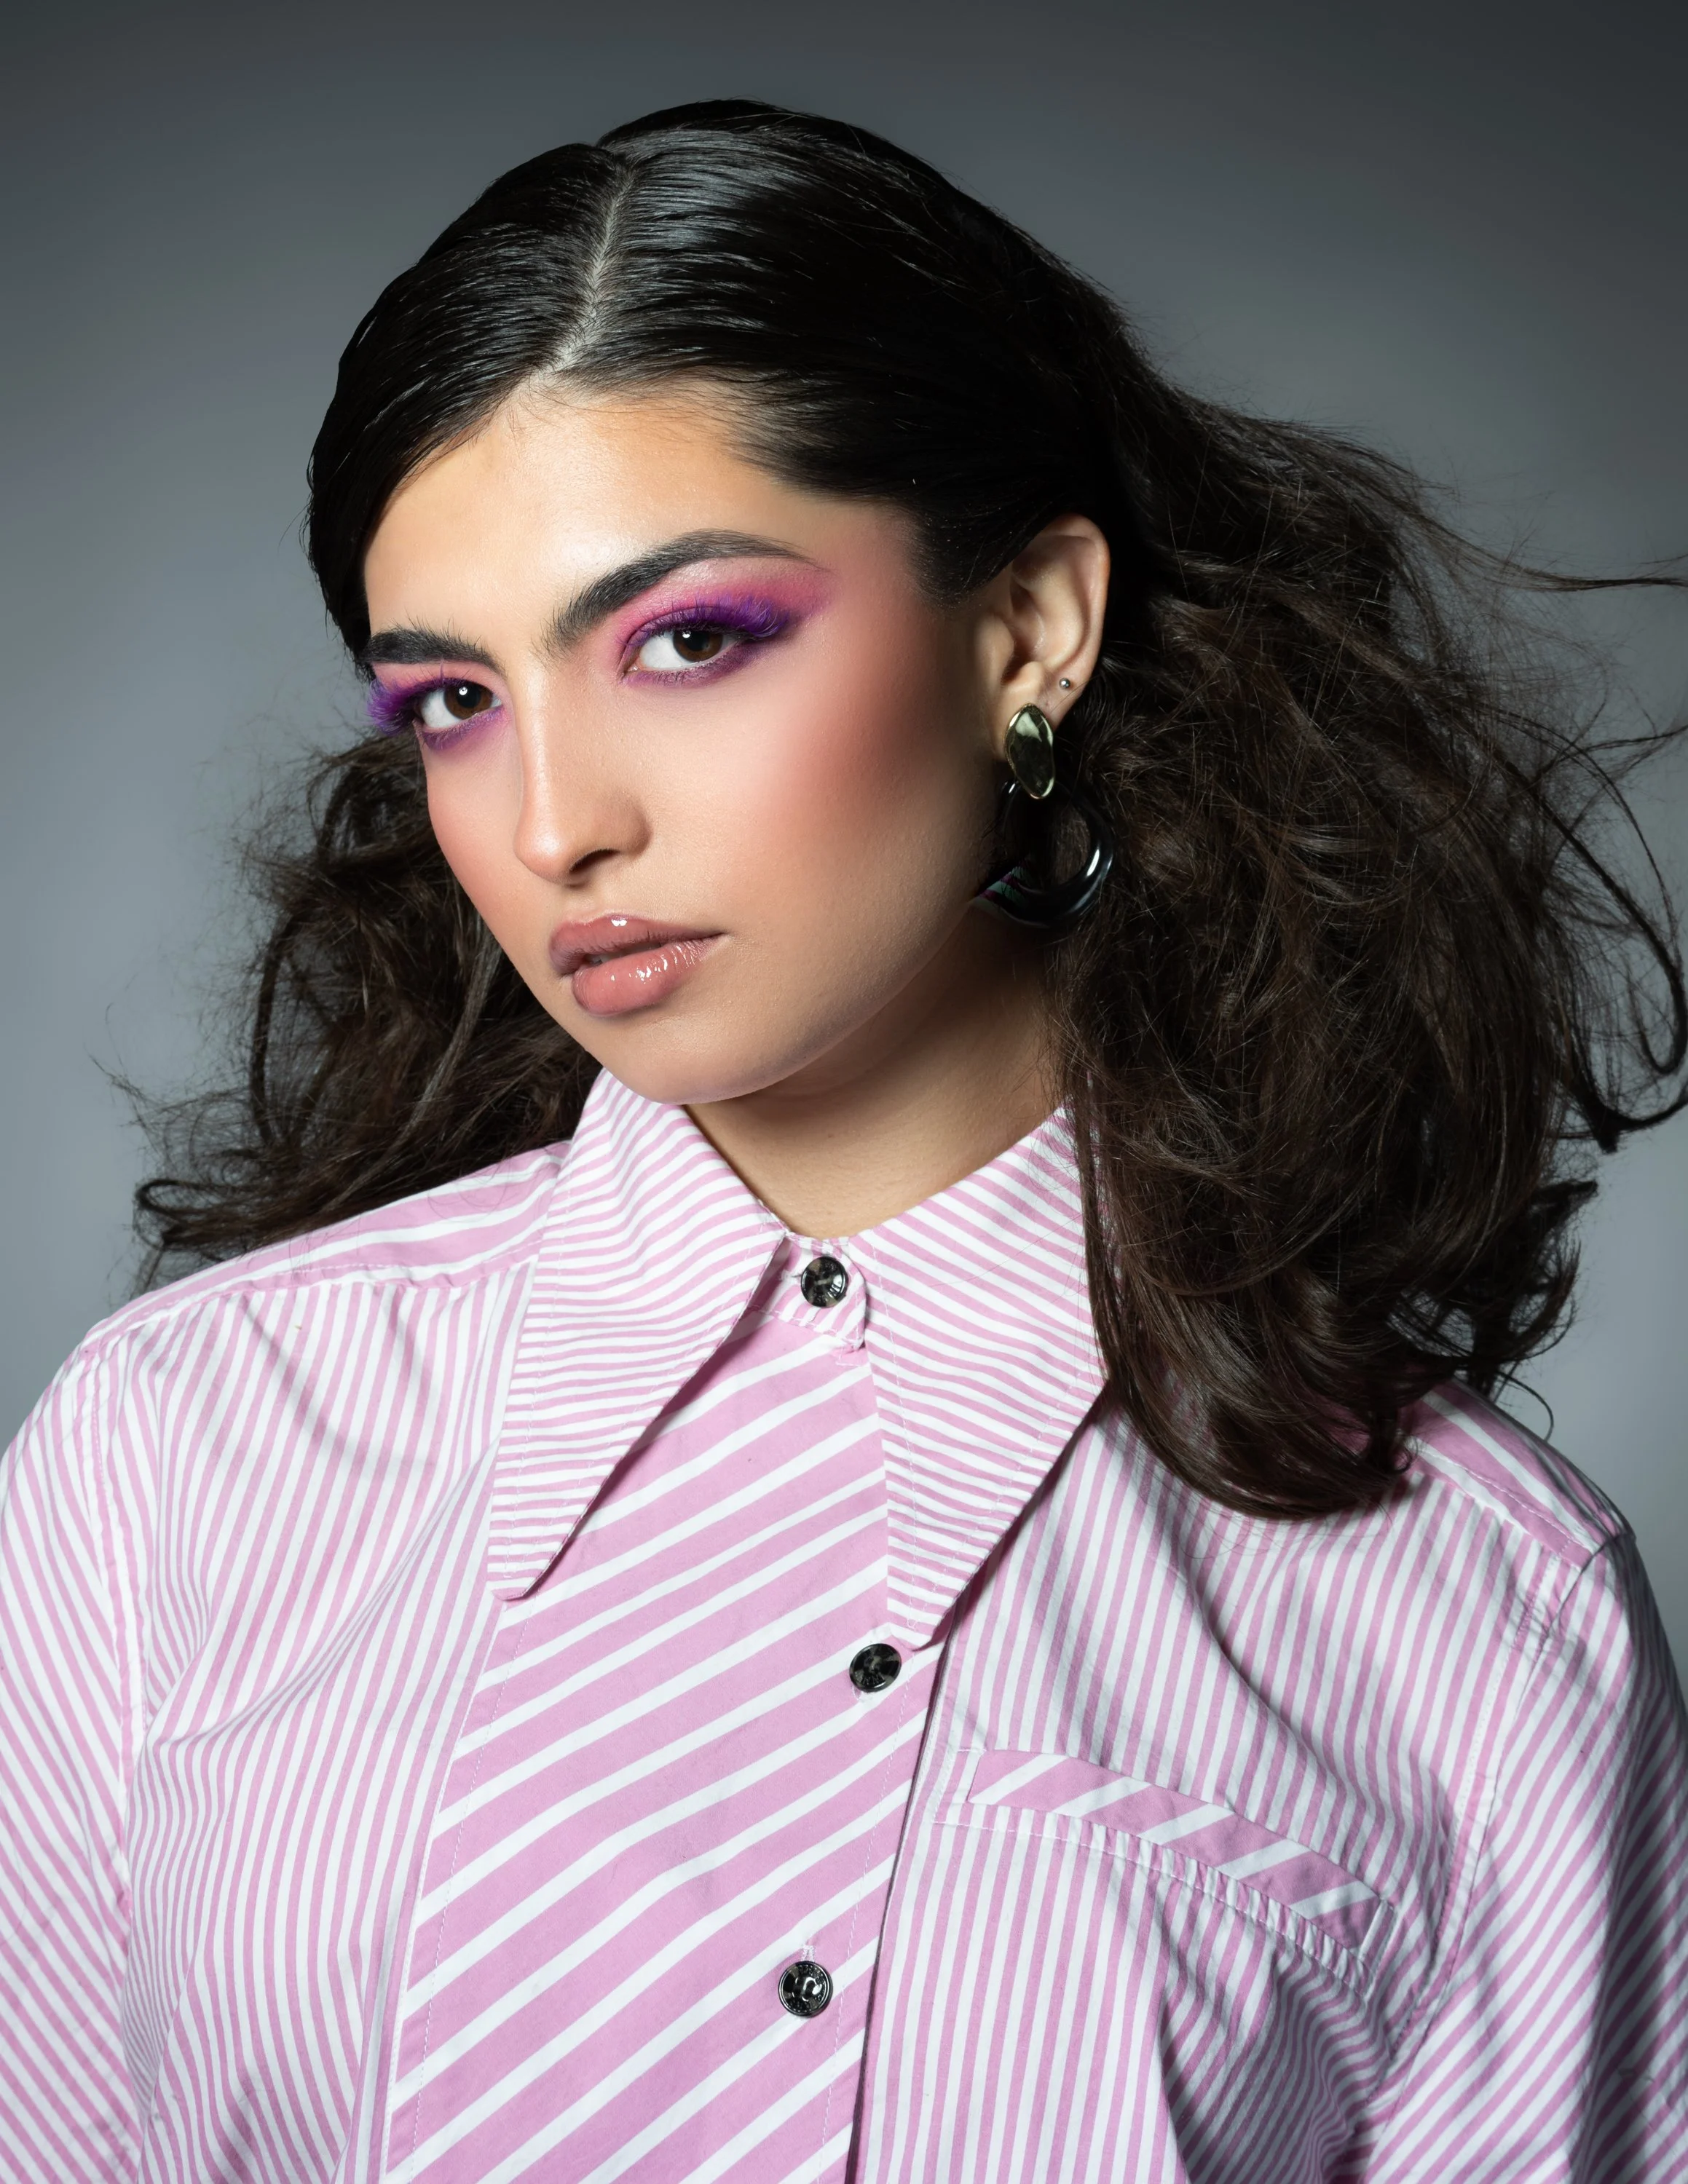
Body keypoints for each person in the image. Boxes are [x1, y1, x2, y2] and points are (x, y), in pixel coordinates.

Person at [1, 98, 1684, 2184]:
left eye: (687, 642)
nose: (552, 825)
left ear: (1026, 635)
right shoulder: (182, 1443)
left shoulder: (1475, 1616)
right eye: (451, 701)